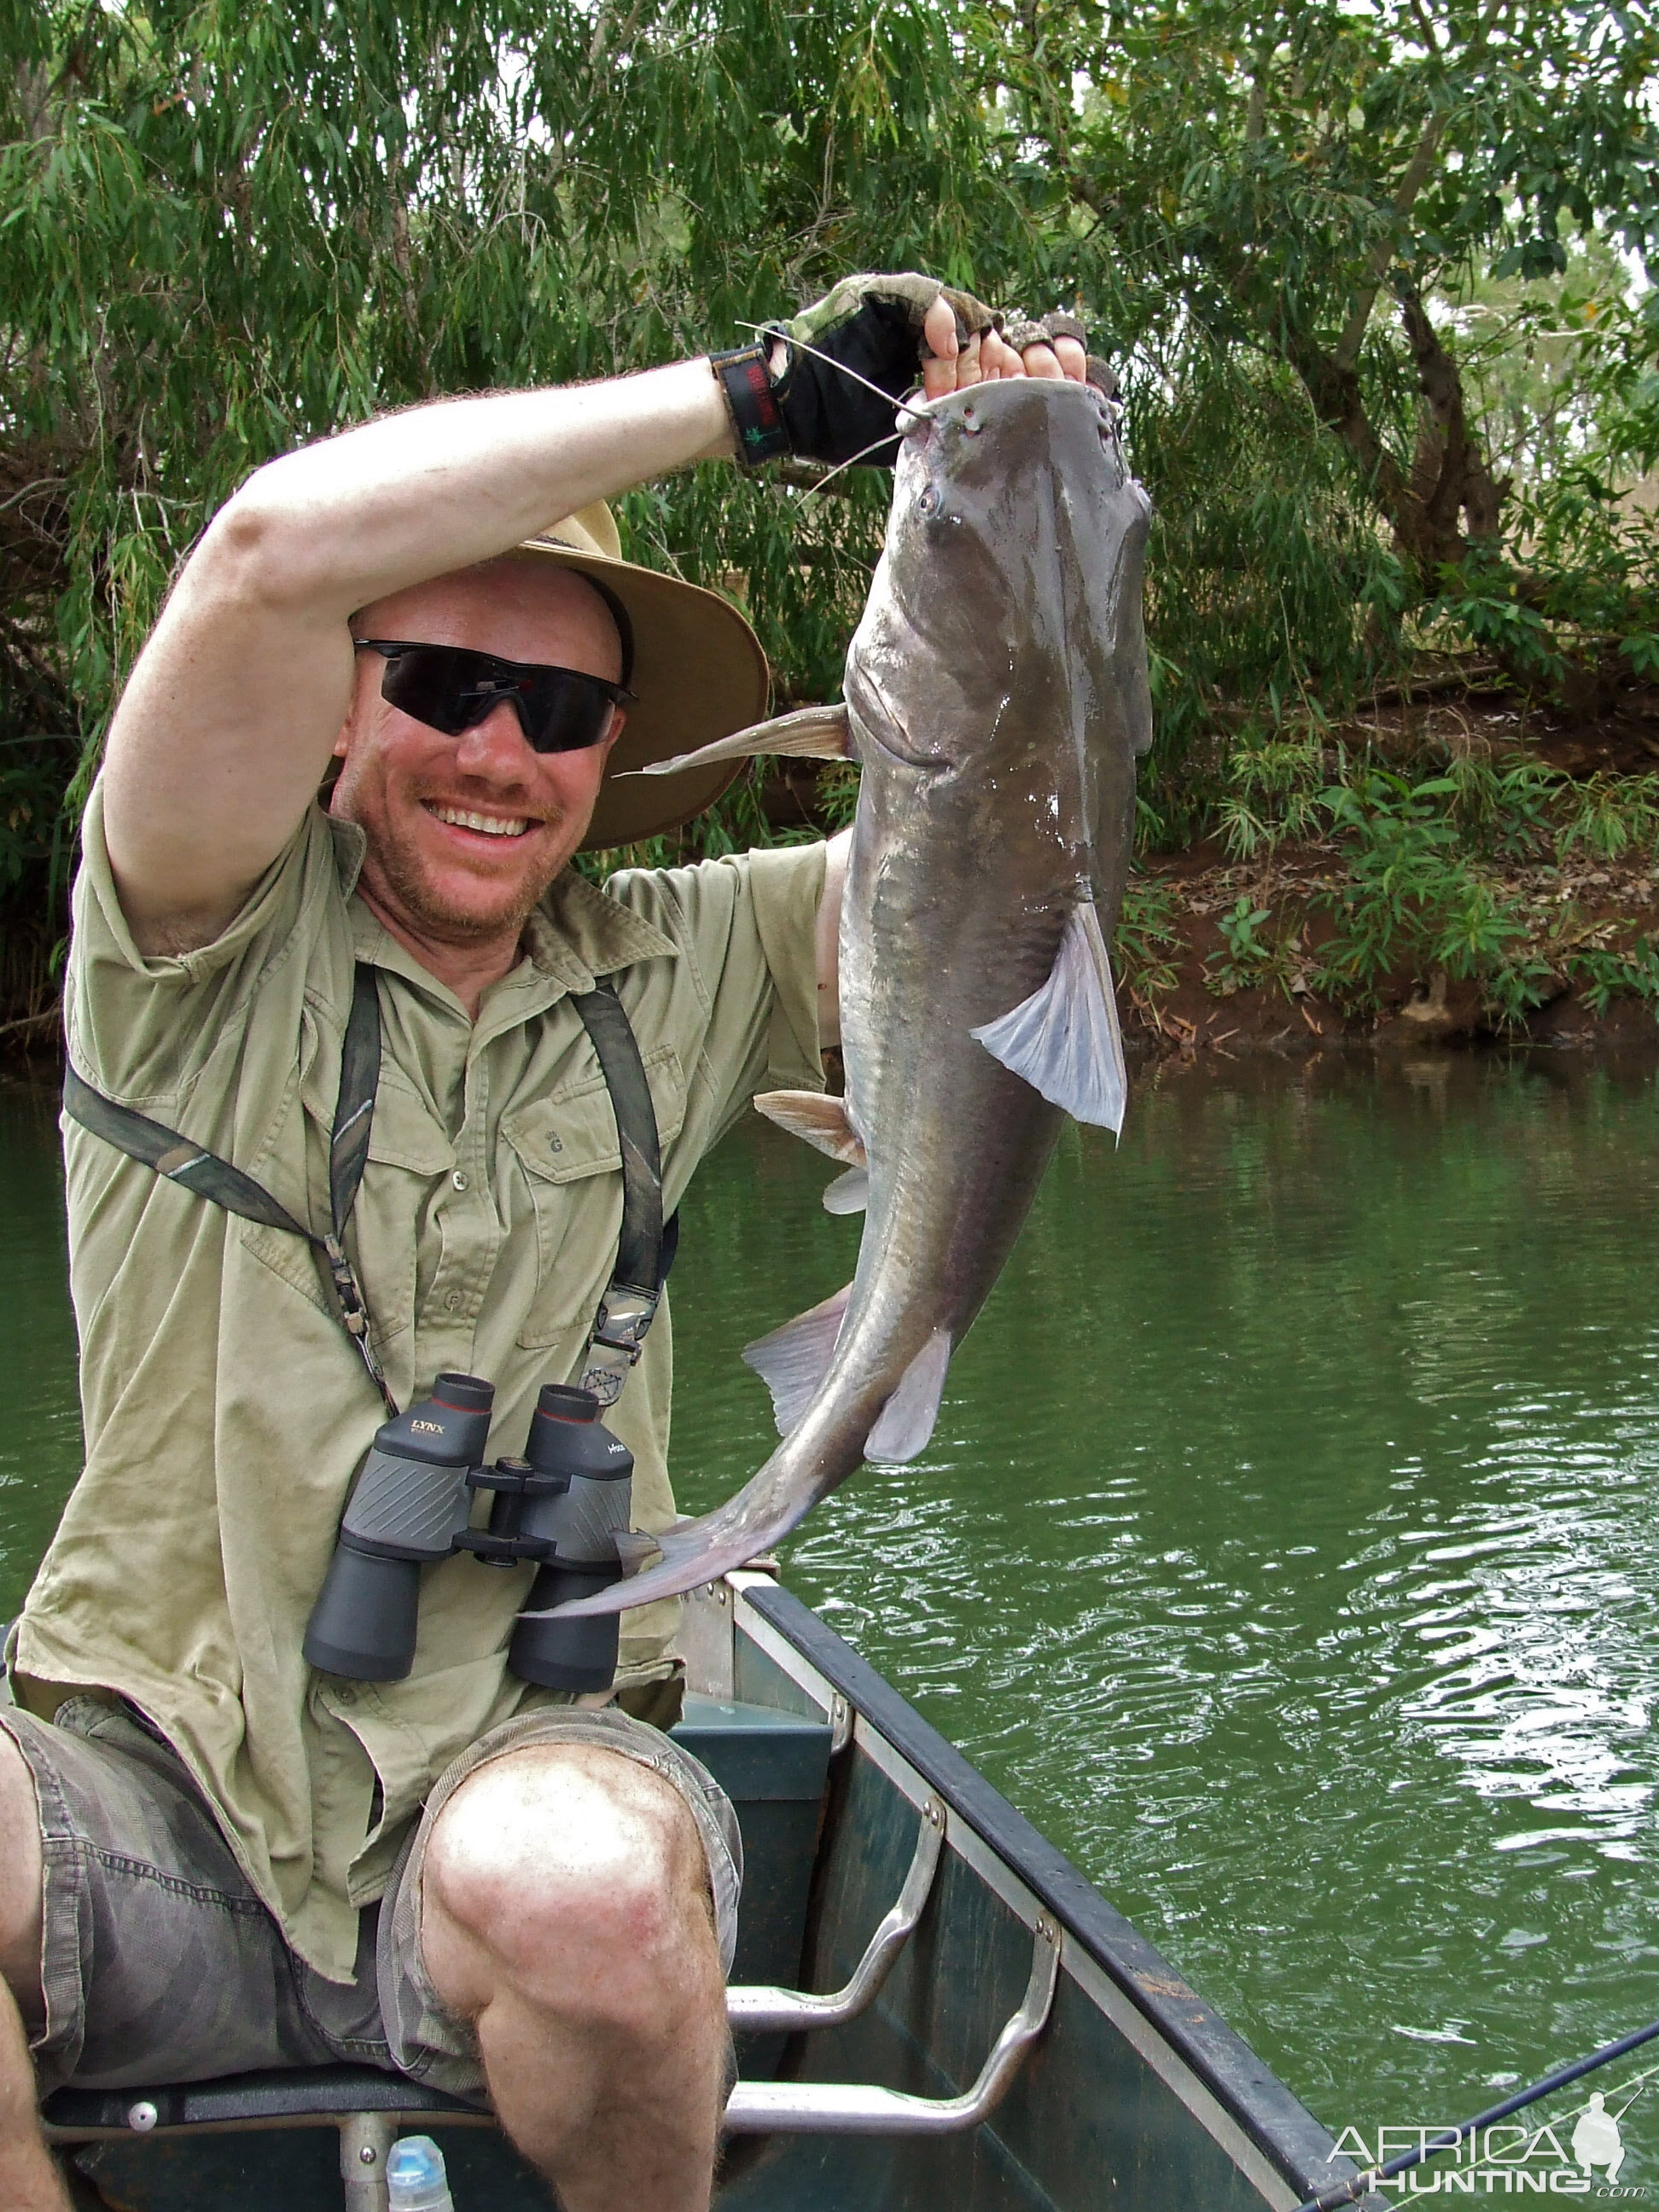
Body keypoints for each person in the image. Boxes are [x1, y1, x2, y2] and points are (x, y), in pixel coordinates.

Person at [0, 275, 1091, 2212]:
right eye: (439, 686)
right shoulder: (184, 939)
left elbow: (986, 842)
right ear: (343, 698)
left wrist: (1036, 504)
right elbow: (258, 555)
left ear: (609, 751)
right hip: (151, 1780)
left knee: (590, 1895)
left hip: (522, 1770)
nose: (500, 752)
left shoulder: (689, 958)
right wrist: (754, 401)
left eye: (564, 709)